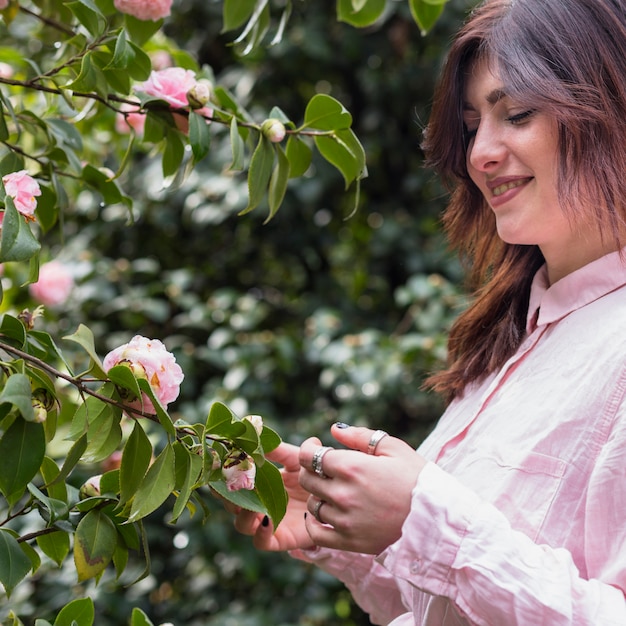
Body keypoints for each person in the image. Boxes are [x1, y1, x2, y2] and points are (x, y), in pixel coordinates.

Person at [233, 0, 626, 623]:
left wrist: (424, 521)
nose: (480, 154)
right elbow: (438, 603)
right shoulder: (511, 338)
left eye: (516, 114)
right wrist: (340, 525)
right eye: (472, 126)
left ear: (610, 109)